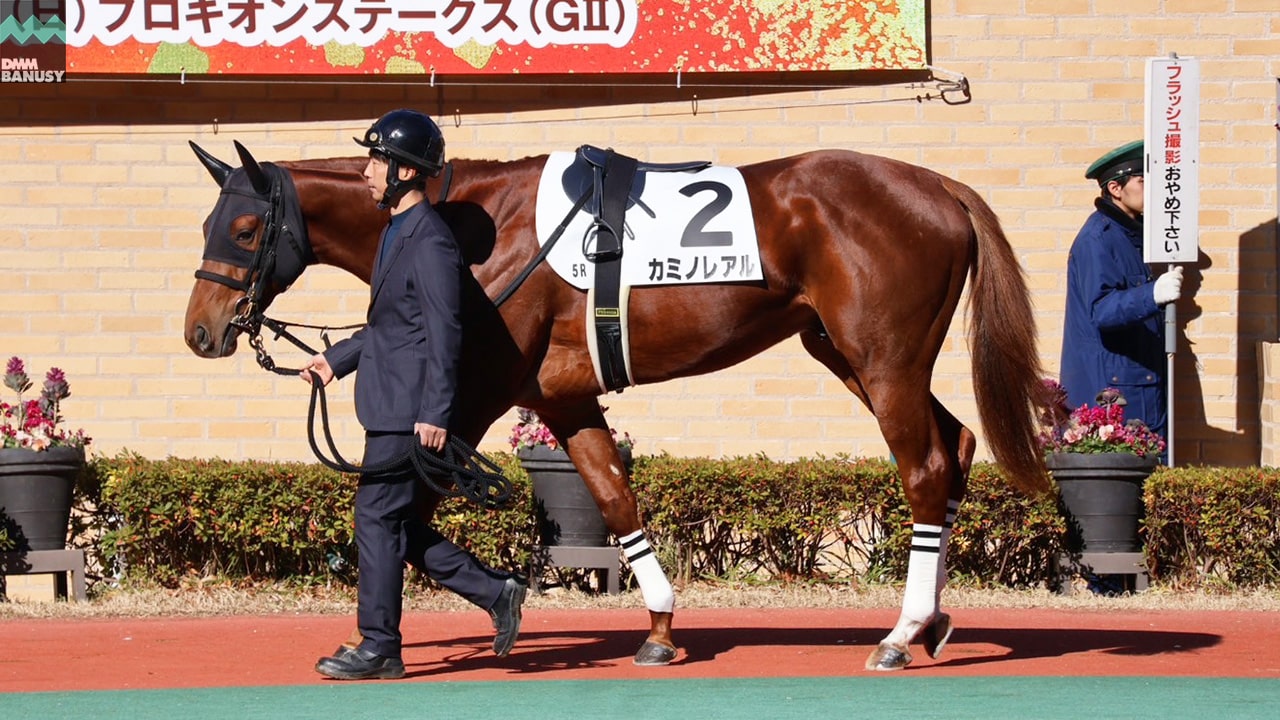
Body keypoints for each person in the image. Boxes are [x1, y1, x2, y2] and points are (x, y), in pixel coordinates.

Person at [301, 109, 526, 681]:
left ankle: (380, 646)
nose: (367, 170)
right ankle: (495, 591)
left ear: (405, 171)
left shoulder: (429, 241)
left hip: (409, 411)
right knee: (392, 523)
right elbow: (390, 326)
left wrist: (435, 412)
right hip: (389, 402)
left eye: (377, 161)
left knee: (377, 520)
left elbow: (446, 330)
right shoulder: (395, 232)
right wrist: (337, 359)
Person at [1060, 139, 1184, 449]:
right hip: (1116, 389)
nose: (1152, 190)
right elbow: (1101, 310)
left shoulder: (1129, 235)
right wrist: (1152, 294)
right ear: (1116, 189)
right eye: (1143, 181)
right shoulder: (1098, 238)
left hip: (1135, 384)